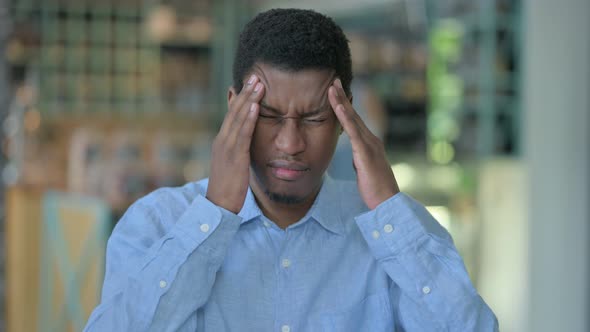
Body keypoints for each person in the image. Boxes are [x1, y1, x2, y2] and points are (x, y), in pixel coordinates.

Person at [84, 8, 498, 331]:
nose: (290, 144)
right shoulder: (157, 224)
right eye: (267, 115)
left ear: (342, 118)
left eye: (315, 119)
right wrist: (213, 216)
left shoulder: (392, 234)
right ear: (235, 108)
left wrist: (388, 208)